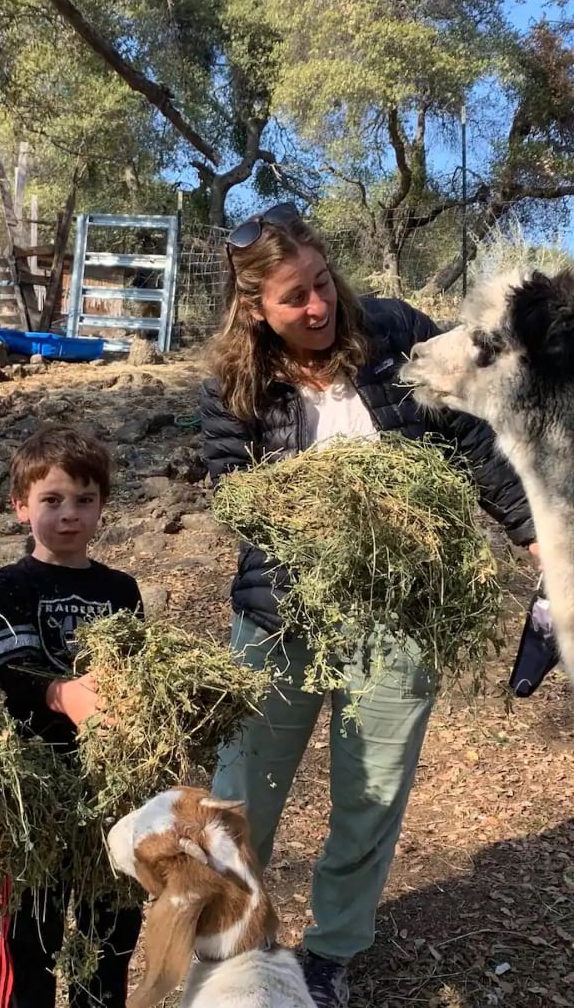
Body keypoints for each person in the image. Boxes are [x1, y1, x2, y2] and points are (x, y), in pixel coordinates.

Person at [199, 204, 538, 1008]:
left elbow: (479, 445)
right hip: (281, 614)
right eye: (294, 299)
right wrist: (329, 507)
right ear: (255, 309)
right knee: (241, 792)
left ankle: (331, 951)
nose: (317, 308)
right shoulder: (233, 382)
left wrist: (540, 543)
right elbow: (233, 493)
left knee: (370, 793)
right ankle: (229, 943)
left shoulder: (395, 333)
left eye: (322, 283)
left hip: (396, 618)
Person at [0, 427, 144, 1008]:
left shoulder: (120, 589)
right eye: (51, 500)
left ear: (103, 505)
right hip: (36, 783)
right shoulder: (15, 583)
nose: (69, 515)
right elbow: (15, 672)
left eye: (84, 500)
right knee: (33, 929)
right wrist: (65, 695)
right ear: (20, 506)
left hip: (111, 784)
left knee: (111, 926)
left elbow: (139, 674)